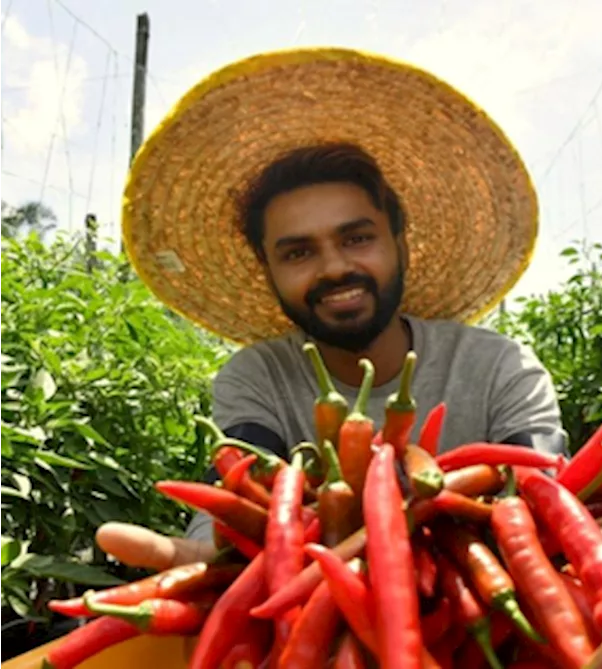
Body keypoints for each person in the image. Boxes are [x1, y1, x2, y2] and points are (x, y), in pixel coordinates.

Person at [94, 48, 563, 571]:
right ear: (267, 270)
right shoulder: (259, 378)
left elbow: (549, 497)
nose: (334, 267)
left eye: (357, 237)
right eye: (298, 252)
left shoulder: (500, 370)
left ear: (401, 245)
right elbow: (243, 490)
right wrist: (218, 555)